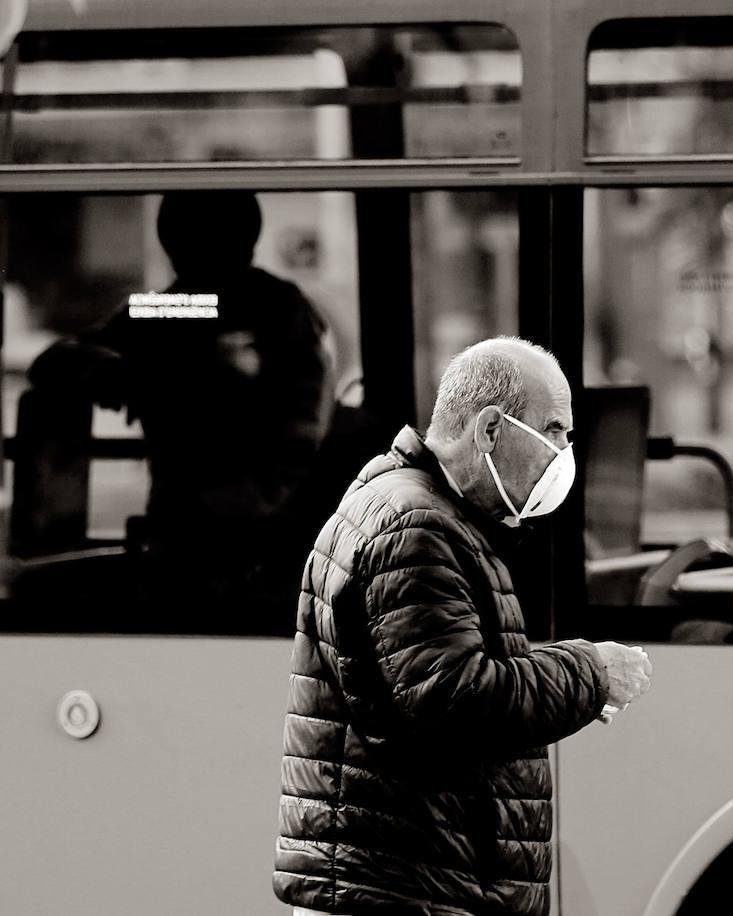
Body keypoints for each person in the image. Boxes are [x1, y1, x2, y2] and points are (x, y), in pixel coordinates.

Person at [273, 336, 654, 916]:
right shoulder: (416, 527)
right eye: (555, 430)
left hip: (409, 881)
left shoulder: (418, 512)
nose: (565, 452)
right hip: (401, 889)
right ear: (491, 430)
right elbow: (453, 698)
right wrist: (590, 672)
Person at [27, 190, 334, 608]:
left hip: (265, 541)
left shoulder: (278, 309)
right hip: (182, 529)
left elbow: (300, 433)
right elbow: (53, 363)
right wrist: (112, 372)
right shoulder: (164, 309)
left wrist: (230, 509)